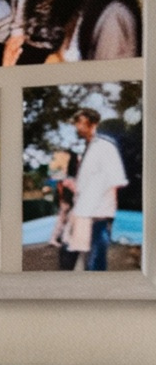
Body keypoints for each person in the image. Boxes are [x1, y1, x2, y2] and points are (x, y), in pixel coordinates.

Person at [60, 107, 126, 272]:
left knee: (95, 263)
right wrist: (75, 184)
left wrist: (97, 202)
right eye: (76, 123)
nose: (77, 126)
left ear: (92, 123)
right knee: (70, 257)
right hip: (82, 211)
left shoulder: (105, 146)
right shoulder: (88, 148)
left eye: (80, 122)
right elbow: (90, 181)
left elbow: (117, 179)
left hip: (98, 214)